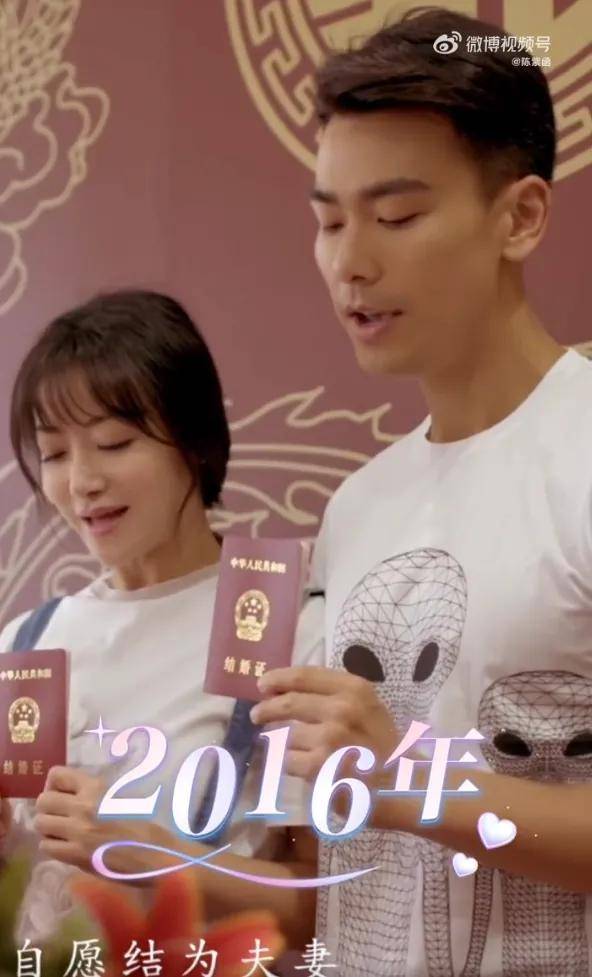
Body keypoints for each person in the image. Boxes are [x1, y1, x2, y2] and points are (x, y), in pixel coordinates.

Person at [250, 7, 592, 977]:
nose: (349, 260)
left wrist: (406, 780)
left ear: (520, 216)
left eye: (395, 216)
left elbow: (397, 786)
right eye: (328, 220)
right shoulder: (358, 505)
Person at [0, 289, 322, 949]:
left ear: (195, 439)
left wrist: (148, 850)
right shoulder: (28, 641)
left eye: (113, 443)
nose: (82, 481)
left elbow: (317, 907)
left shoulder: (282, 627)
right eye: (54, 454)